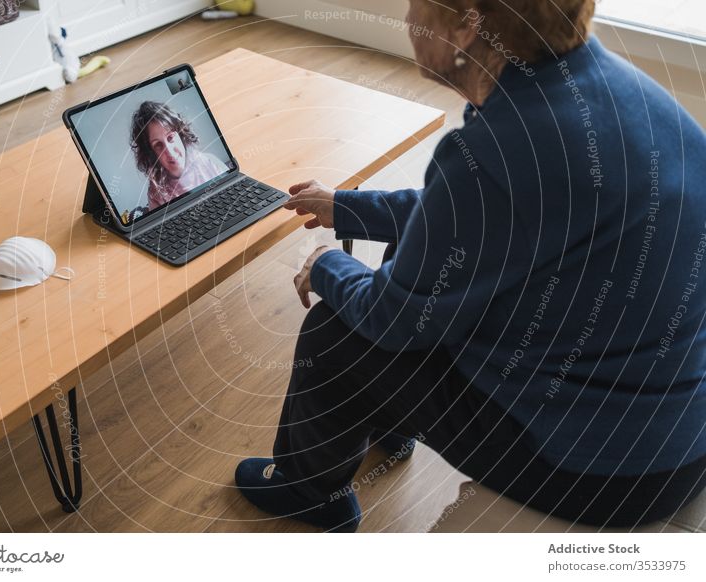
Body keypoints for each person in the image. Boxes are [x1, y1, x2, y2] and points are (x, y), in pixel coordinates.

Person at [234, 0, 706, 532]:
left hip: (596, 471)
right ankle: (390, 423)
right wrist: (347, 207)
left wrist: (324, 264)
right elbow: (466, 215)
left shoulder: (496, 151)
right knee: (410, 253)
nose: (406, 18)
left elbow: (393, 314)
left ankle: (308, 493)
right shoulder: (621, 92)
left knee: (333, 334)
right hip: (677, 433)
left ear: (466, 23)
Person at [130, 101, 228, 210]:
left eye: (171, 138)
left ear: (180, 135)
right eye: (158, 145)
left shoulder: (209, 162)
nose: (170, 152)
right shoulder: (156, 194)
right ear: (151, 154)